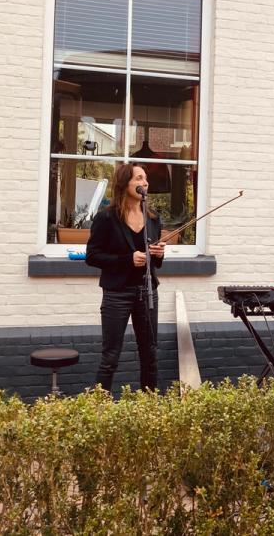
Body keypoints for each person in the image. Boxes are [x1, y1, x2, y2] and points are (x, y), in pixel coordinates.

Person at [86, 163, 166, 393]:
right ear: (125, 184)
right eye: (139, 178)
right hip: (117, 294)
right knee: (111, 355)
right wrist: (127, 260)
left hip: (147, 292)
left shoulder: (152, 218)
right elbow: (92, 256)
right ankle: (99, 406)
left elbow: (155, 262)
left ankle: (149, 408)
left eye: (146, 178)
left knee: (150, 353)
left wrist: (158, 254)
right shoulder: (107, 218)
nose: (145, 182)